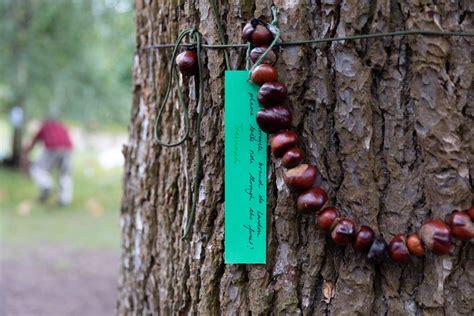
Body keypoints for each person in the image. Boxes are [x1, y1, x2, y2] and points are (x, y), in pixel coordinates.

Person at [24, 119, 74, 206]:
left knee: (36, 169)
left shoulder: (45, 127)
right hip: (68, 150)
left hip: (52, 148)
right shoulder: (62, 126)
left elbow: (34, 141)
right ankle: (65, 199)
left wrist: (26, 153)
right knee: (64, 174)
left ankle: (46, 185)